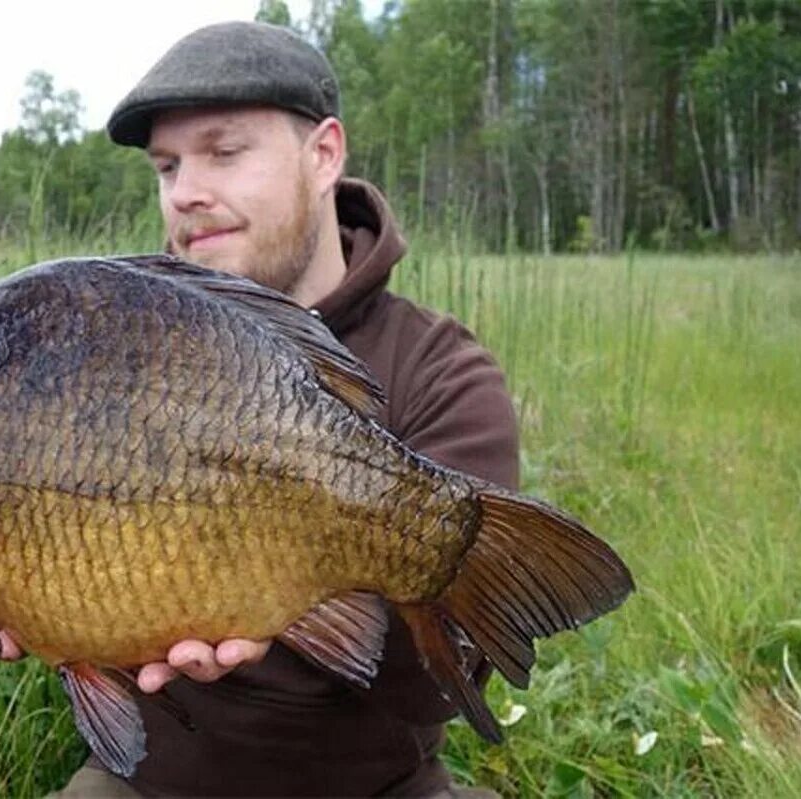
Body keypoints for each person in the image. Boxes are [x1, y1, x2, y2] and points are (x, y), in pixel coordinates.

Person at [54, 20, 518, 798]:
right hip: (153, 782)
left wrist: (269, 609)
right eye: (167, 166)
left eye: (224, 152)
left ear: (324, 154)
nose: (186, 191)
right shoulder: (119, 351)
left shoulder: (441, 371)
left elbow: (441, 680)